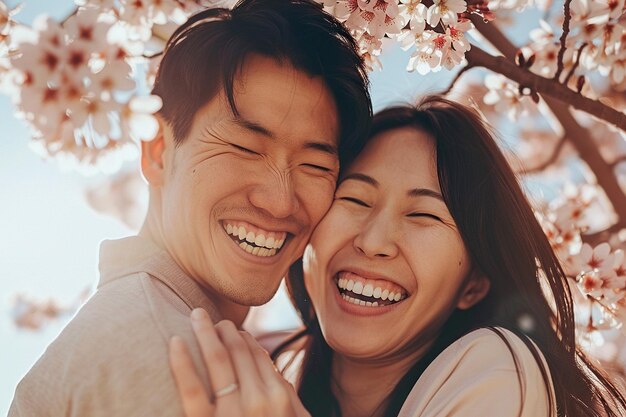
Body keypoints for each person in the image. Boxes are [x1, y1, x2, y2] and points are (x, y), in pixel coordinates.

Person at [8, 1, 371, 416]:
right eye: (245, 147)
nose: (280, 201)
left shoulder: (146, 325)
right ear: (158, 151)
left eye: (316, 165)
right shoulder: (179, 361)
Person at [170, 96, 626, 417]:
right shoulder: (278, 376)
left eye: (424, 214)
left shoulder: (496, 367)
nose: (374, 241)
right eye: (355, 200)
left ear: (474, 285)